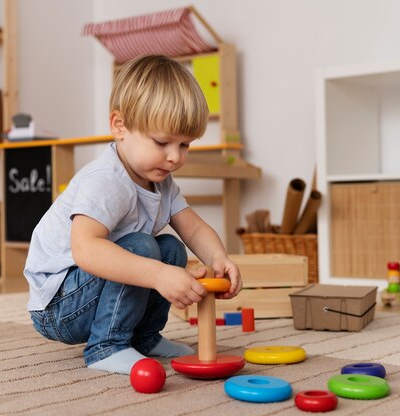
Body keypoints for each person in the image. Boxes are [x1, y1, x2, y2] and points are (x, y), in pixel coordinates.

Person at [24, 55, 242, 375]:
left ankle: (144, 337)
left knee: (170, 247)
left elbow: (192, 227)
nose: (174, 157)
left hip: (88, 292)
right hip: (59, 306)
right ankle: (107, 346)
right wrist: (158, 275)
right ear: (119, 126)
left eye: (184, 145)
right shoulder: (106, 180)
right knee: (142, 246)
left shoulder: (160, 180)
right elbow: (86, 249)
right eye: (162, 142)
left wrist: (220, 258)